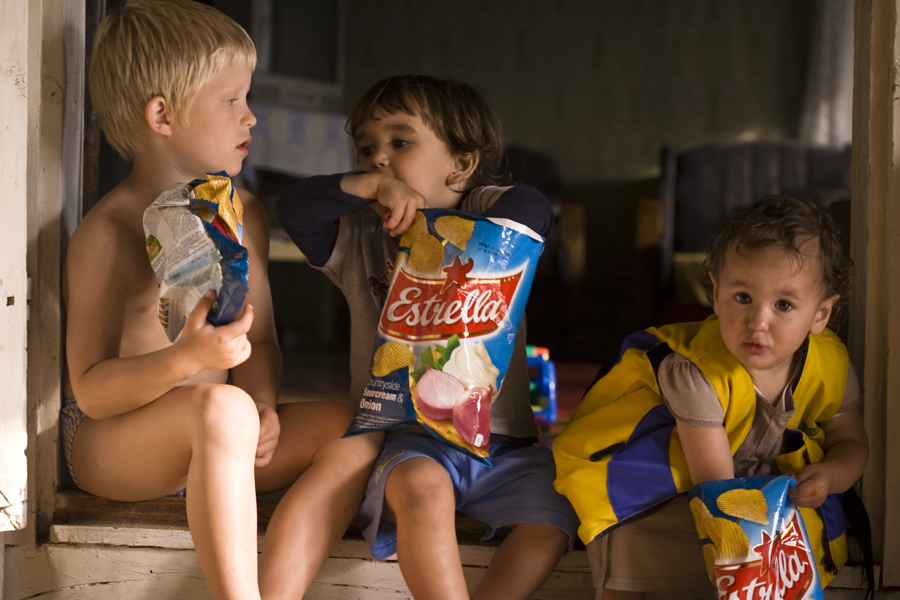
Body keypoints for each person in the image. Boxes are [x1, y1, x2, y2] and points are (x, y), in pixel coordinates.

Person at [61, 2, 381, 599]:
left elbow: (259, 341)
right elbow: (93, 393)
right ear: (162, 114)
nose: (251, 116)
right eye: (231, 99)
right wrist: (185, 361)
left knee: (353, 428)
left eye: (247, 97)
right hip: (116, 445)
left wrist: (262, 404)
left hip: (221, 437)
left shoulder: (243, 214)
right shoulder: (108, 232)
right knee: (222, 408)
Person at [276, 74, 579, 600]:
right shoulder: (359, 238)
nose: (378, 158)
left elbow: (532, 208)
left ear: (460, 165)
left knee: (557, 514)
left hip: (506, 444)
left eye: (400, 142)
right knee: (423, 492)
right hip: (407, 439)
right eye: (366, 149)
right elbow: (294, 208)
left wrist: (442, 229)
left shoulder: (489, 215)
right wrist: (370, 189)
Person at [552, 195, 869, 599]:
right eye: (743, 298)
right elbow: (718, 492)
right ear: (716, 293)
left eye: (784, 304)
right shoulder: (695, 372)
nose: (758, 322)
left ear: (821, 314)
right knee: (632, 542)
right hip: (661, 483)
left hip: (752, 488)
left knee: (806, 533)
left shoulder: (831, 363)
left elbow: (851, 441)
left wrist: (831, 475)